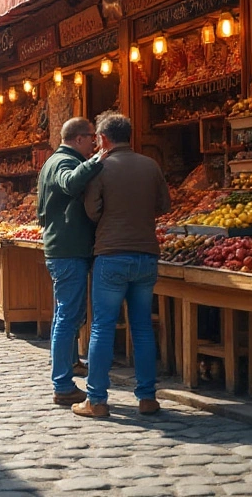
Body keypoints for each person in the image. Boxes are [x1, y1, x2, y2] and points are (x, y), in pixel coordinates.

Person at [74, 112, 171, 419]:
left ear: (103, 139)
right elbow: (164, 205)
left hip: (111, 254)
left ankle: (98, 400)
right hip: (145, 255)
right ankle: (147, 397)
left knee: (102, 327)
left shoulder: (101, 168)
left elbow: (92, 211)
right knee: (142, 327)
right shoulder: (150, 165)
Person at [37, 117, 106, 407]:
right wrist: (98, 160)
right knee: (67, 316)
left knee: (68, 315)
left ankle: (69, 364)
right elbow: (69, 184)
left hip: (65, 248)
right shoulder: (63, 162)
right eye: (92, 138)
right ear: (79, 138)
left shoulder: (55, 160)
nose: (94, 143)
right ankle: (63, 384)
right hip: (68, 249)